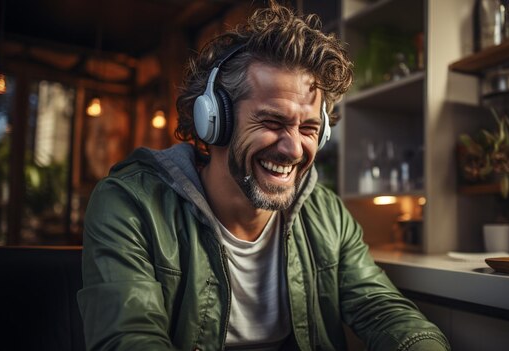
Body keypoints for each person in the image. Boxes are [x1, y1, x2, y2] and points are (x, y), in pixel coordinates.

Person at [77, 2, 450, 350]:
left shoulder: (326, 213)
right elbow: (130, 338)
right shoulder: (130, 204)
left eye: (308, 128)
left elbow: (382, 308)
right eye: (272, 122)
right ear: (213, 121)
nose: (293, 149)